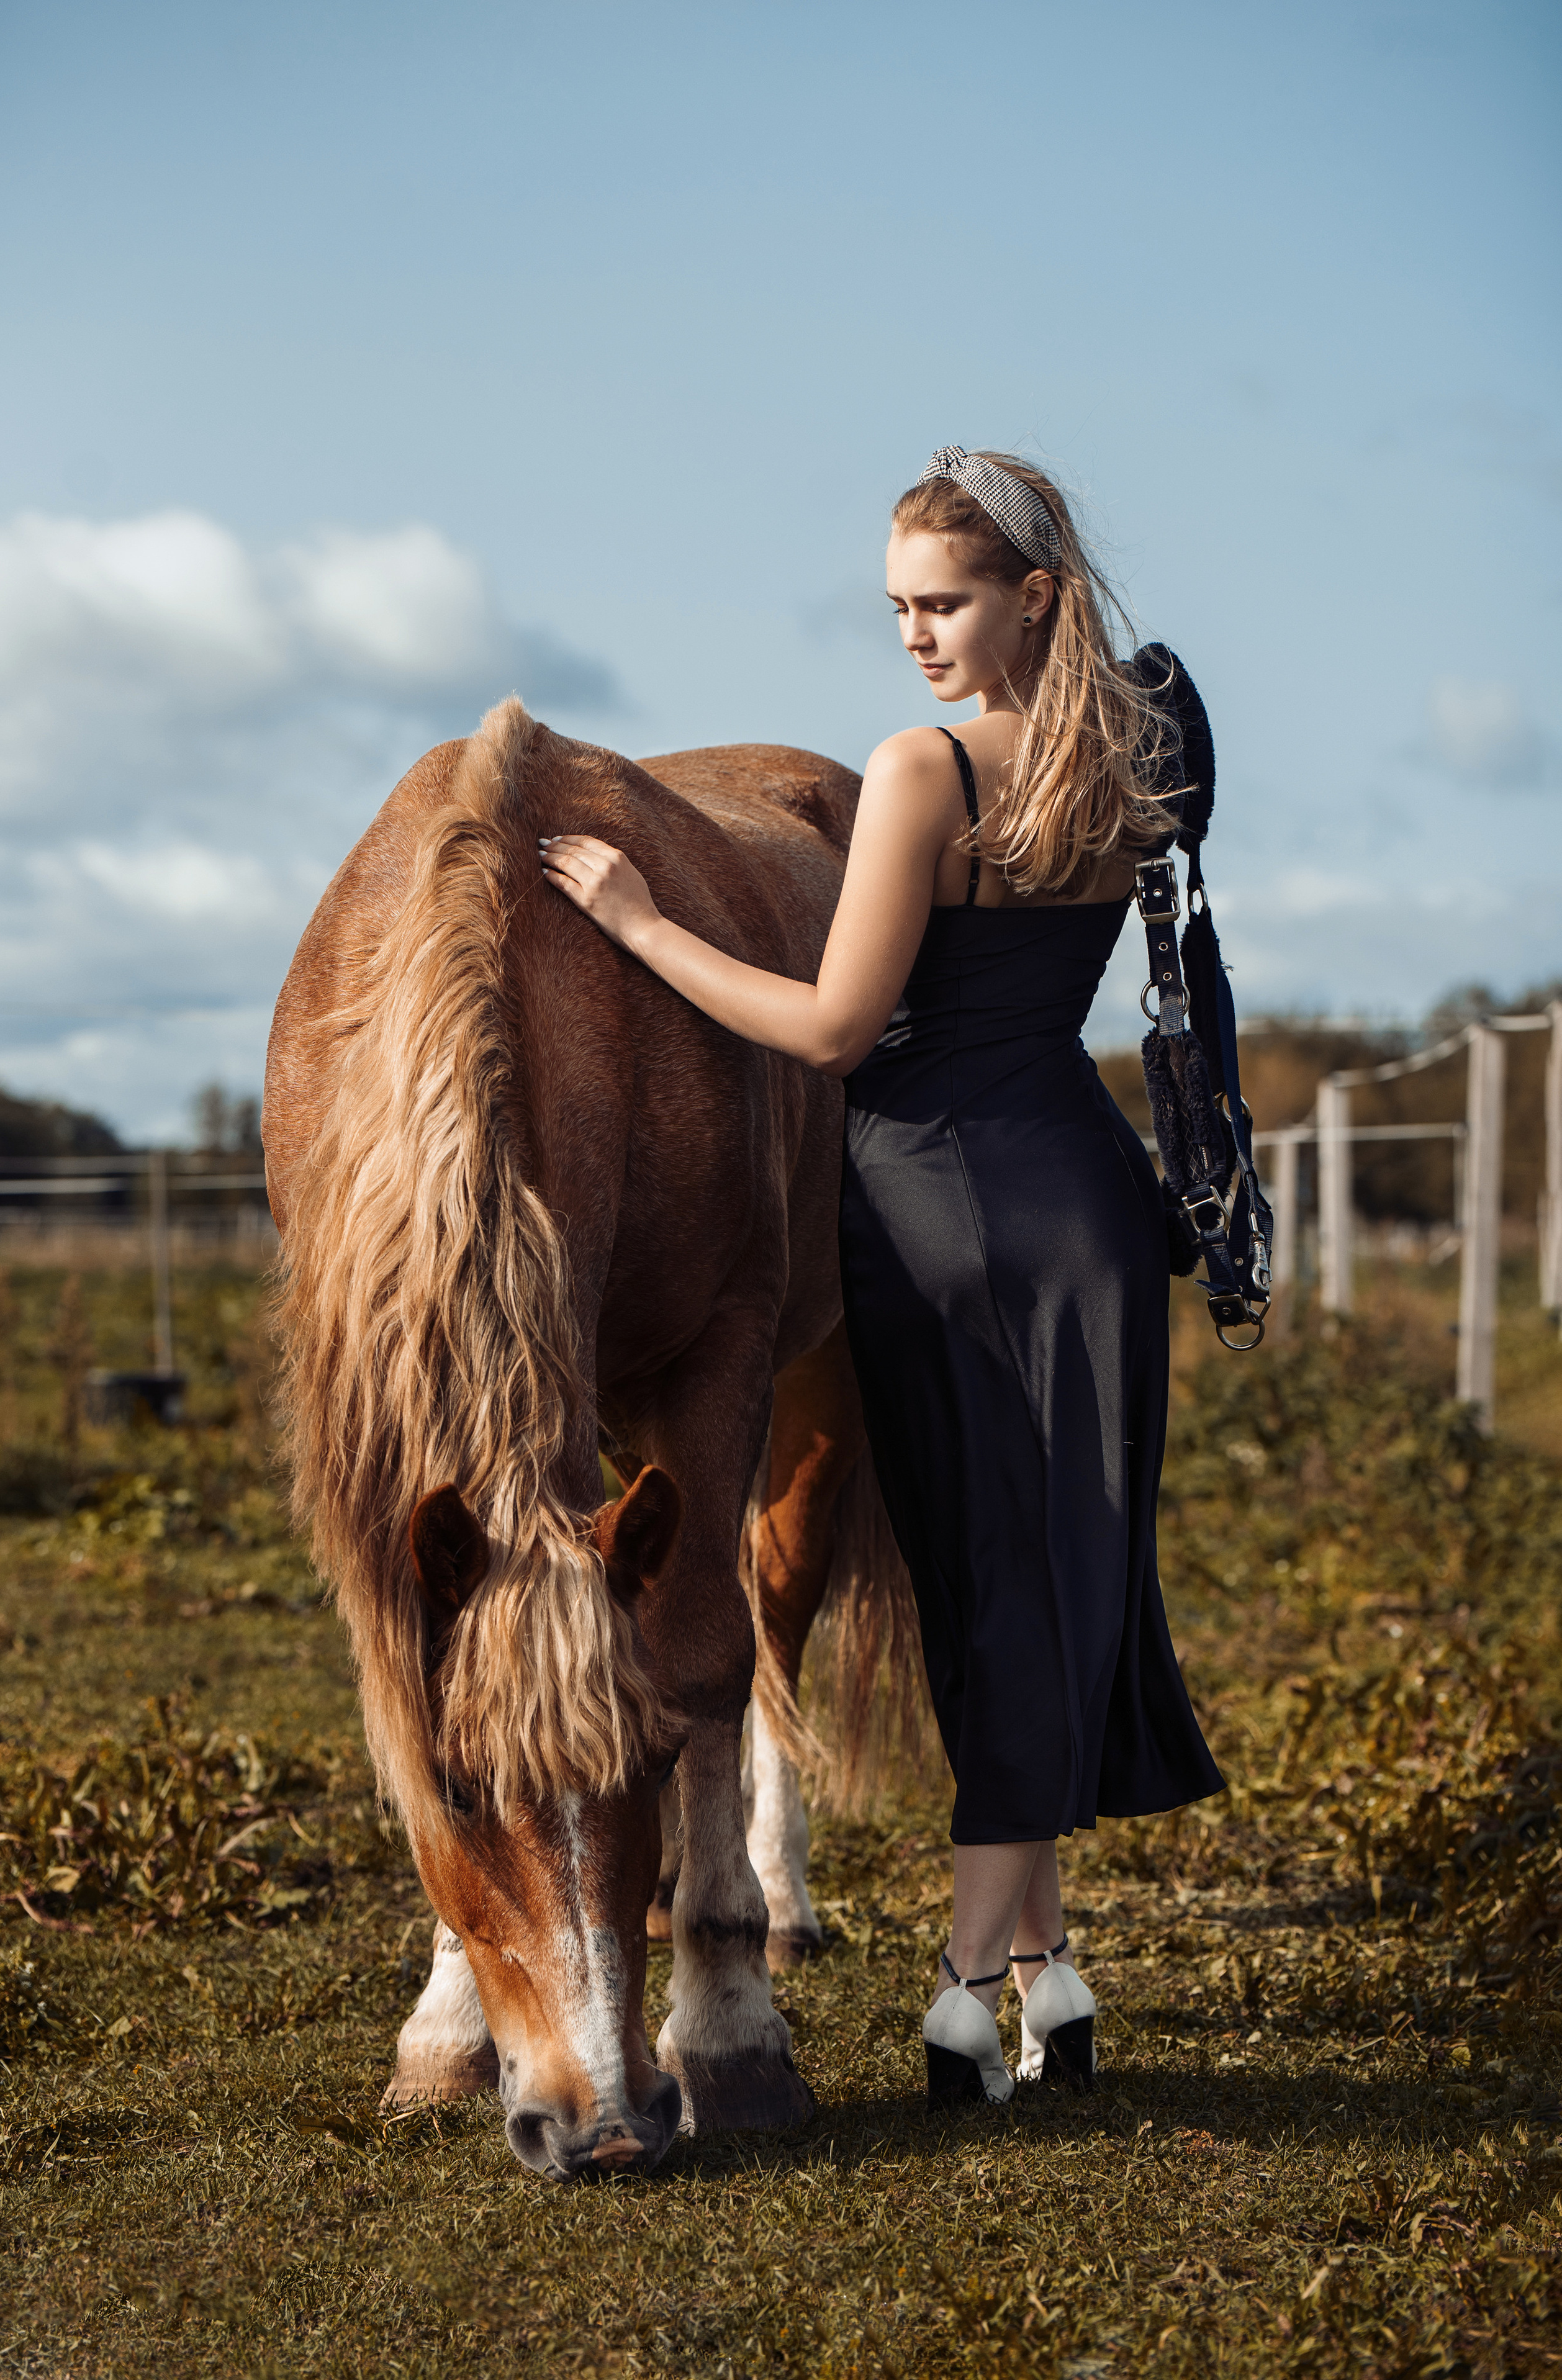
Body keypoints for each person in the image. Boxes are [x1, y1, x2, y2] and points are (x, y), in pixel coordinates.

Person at [541, 445, 1224, 2105]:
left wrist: (639, 924)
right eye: (899, 606)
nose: (914, 634)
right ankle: (1047, 1981)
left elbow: (838, 1027)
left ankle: (956, 1995)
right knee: (1052, 1574)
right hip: (1088, 1189)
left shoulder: (922, 769)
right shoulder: (1142, 754)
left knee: (996, 1592)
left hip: (930, 1194)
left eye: (945, 600)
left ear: (1031, 596)